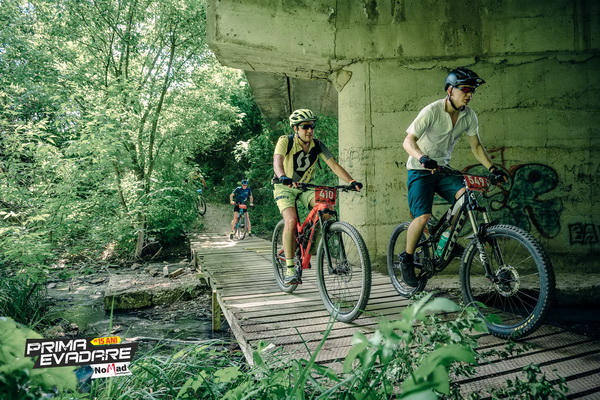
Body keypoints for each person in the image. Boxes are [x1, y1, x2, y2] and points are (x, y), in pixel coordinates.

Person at [400, 67, 509, 287]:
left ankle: (445, 238)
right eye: (465, 89)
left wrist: (492, 169)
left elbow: (476, 147)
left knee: (466, 198)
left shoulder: (469, 116)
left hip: (442, 170)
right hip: (420, 169)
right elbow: (408, 142)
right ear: (450, 90)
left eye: (472, 91)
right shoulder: (431, 111)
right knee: (422, 217)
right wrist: (422, 158)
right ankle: (407, 259)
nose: (469, 95)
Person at [273, 109, 363, 285]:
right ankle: (290, 269)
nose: (310, 130)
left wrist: (351, 181)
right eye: (305, 127)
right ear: (295, 128)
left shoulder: (317, 145)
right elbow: (277, 161)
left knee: (326, 210)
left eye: (312, 126)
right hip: (284, 186)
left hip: (305, 187)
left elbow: (334, 166)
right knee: (291, 221)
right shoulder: (285, 141)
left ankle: (308, 243)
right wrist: (282, 176)